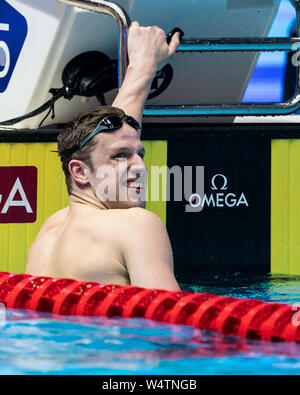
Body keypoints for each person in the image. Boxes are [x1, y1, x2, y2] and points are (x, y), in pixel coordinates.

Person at [26, 22, 181, 291]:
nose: (140, 166)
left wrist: (142, 66)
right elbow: (171, 328)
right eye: (121, 157)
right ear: (80, 172)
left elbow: (105, 143)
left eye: (139, 154)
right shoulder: (136, 224)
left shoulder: (49, 233)